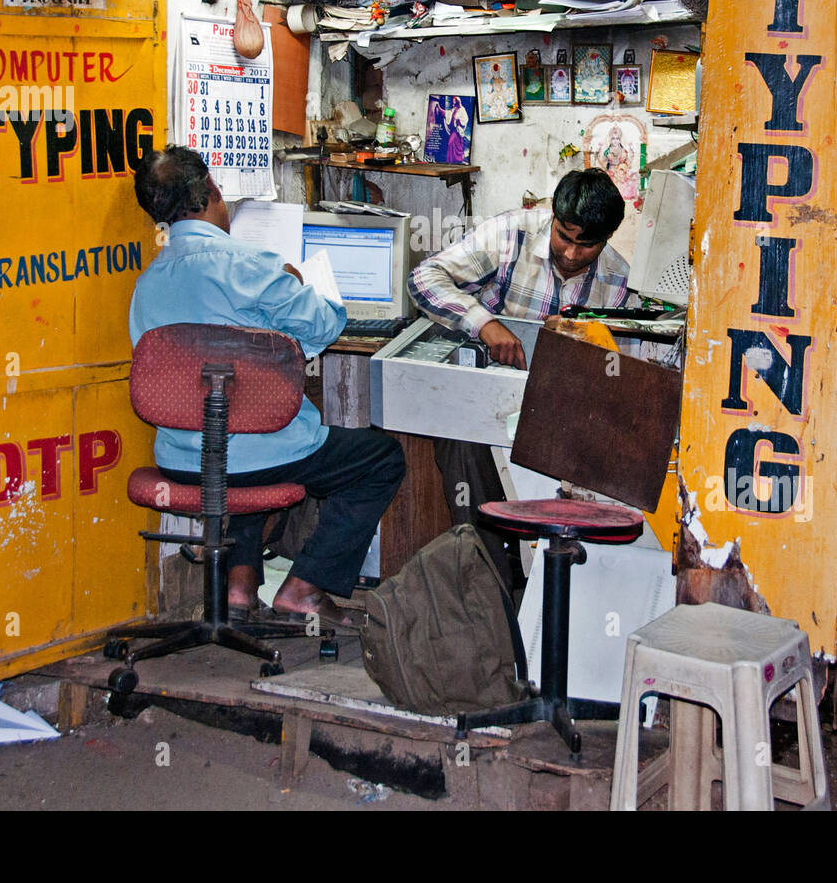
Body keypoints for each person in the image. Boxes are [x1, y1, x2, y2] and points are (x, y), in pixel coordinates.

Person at [129, 145, 404, 628]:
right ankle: (304, 587)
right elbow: (322, 328)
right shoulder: (251, 265)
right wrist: (301, 284)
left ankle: (239, 589)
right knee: (380, 459)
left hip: (182, 461)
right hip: (259, 456)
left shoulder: (147, 284)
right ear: (212, 191)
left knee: (242, 446)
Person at [407, 168, 631, 586]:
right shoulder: (511, 235)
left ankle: (547, 587)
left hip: (560, 411)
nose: (570, 254)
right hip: (488, 399)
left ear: (607, 239)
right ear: (553, 216)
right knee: (464, 443)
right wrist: (484, 323)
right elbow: (424, 278)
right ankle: (488, 585)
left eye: (587, 246)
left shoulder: (619, 281)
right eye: (564, 236)